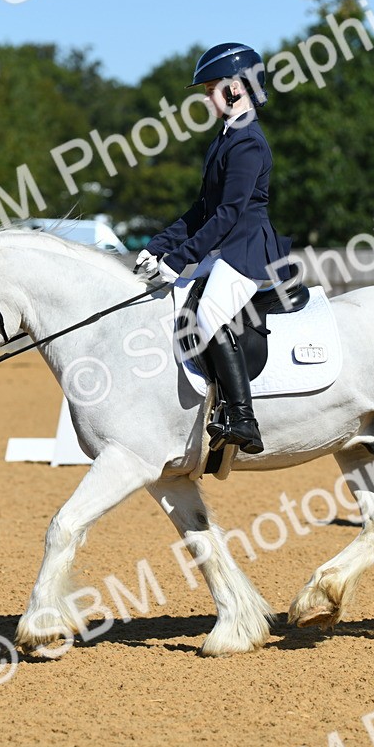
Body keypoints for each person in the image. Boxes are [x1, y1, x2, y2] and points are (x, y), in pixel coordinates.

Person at [135, 43, 292, 455]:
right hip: (225, 248)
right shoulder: (225, 139)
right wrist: (158, 247)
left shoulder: (248, 144)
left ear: (237, 88)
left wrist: (179, 260)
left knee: (209, 314)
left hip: (247, 252)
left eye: (211, 89)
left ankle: (243, 418)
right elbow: (201, 209)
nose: (206, 98)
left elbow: (228, 215)